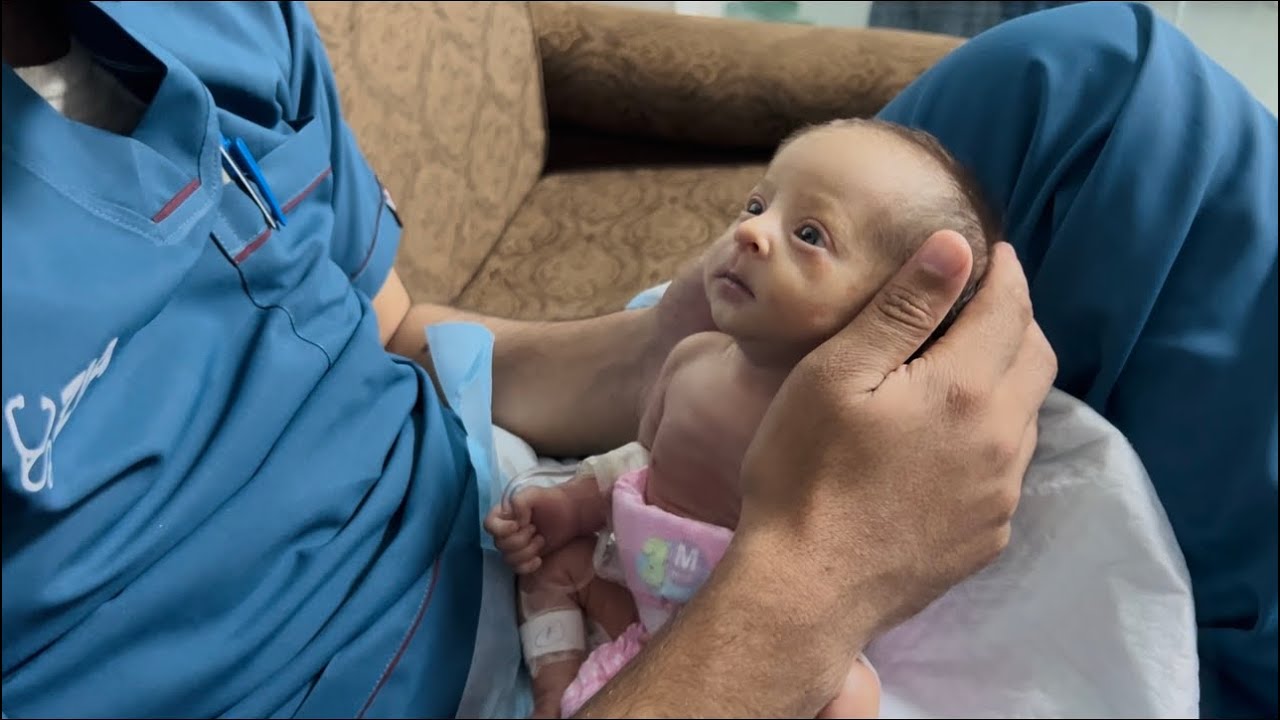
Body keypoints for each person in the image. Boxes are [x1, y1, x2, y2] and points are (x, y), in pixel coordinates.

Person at [0, 2, 1272, 719]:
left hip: (485, 478)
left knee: (1105, 99)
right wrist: (815, 579)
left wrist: (673, 352)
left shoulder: (208, 19)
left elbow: (385, 326)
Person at [484, 118, 999, 718]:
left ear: (897, 311)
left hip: (755, 631)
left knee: (852, 693)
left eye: (810, 233)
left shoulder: (847, 431)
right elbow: (644, 463)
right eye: (757, 204)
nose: (751, 231)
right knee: (554, 568)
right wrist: (572, 503)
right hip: (640, 582)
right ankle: (554, 693)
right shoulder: (691, 363)